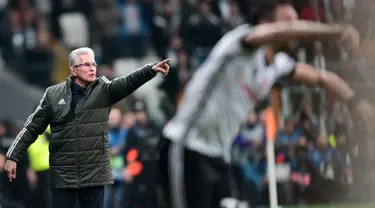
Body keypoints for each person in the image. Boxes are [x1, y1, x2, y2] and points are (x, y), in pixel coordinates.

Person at [159, 0, 373, 208]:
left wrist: (355, 102)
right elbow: (284, 34)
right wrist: (338, 31)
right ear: (265, 23)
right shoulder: (242, 41)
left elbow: (321, 78)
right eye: (288, 21)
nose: (295, 26)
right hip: (187, 148)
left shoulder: (277, 65)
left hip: (218, 156)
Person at [4, 47, 171, 208]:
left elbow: (127, 82)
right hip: (64, 174)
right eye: (86, 64)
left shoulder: (103, 90)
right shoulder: (53, 95)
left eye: (94, 64)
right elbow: (32, 127)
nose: (92, 68)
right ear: (73, 70)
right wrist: (13, 156)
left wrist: (150, 70)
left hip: (94, 174)